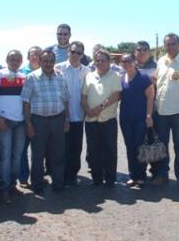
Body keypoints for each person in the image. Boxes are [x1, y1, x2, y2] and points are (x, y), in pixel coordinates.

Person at [21, 50, 70, 194]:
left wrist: (67, 119)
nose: (48, 63)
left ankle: (58, 184)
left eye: (51, 61)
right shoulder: (31, 77)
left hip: (58, 119)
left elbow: (66, 99)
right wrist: (28, 124)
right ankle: (37, 184)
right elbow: (26, 102)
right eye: (45, 61)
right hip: (39, 121)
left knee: (58, 154)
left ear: (54, 62)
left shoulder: (60, 76)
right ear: (40, 62)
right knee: (38, 154)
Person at [151, 33, 179, 188]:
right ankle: (162, 175)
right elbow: (155, 81)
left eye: (172, 44)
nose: (169, 47)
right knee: (162, 146)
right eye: (167, 44)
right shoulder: (161, 61)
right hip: (161, 111)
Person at [82, 50, 122, 187]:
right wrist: (87, 110)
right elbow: (84, 96)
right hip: (91, 120)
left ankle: (110, 179)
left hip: (108, 120)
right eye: (97, 60)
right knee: (93, 150)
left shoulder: (115, 76)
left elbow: (116, 95)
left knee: (110, 150)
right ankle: (97, 178)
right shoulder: (89, 76)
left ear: (108, 62)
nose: (99, 63)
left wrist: (100, 107)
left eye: (102, 60)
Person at [0, 50, 26, 204]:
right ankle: (3, 189)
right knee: (5, 157)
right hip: (4, 120)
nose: (15, 61)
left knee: (17, 155)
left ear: (21, 61)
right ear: (6, 59)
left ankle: (12, 185)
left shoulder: (24, 77)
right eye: (12, 58)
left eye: (18, 59)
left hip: (21, 122)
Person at [55, 41, 90, 186]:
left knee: (76, 147)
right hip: (62, 115)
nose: (75, 55)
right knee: (60, 147)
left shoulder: (86, 71)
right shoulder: (58, 68)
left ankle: (72, 175)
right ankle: (59, 175)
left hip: (79, 114)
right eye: (73, 51)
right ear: (68, 51)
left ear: (82, 55)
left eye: (79, 53)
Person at [119, 53, 154, 187]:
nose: (127, 63)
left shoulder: (144, 77)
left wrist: (149, 115)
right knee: (129, 147)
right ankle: (133, 176)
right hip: (125, 118)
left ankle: (141, 176)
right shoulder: (122, 78)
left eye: (129, 61)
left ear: (134, 61)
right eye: (124, 62)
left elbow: (151, 97)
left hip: (140, 118)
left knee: (139, 146)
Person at [18, 46, 42, 187]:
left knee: (38, 150)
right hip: (24, 116)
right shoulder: (21, 73)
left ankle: (37, 176)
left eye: (38, 54)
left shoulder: (45, 72)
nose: (35, 57)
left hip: (39, 116)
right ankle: (23, 177)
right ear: (28, 57)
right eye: (32, 54)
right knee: (23, 148)